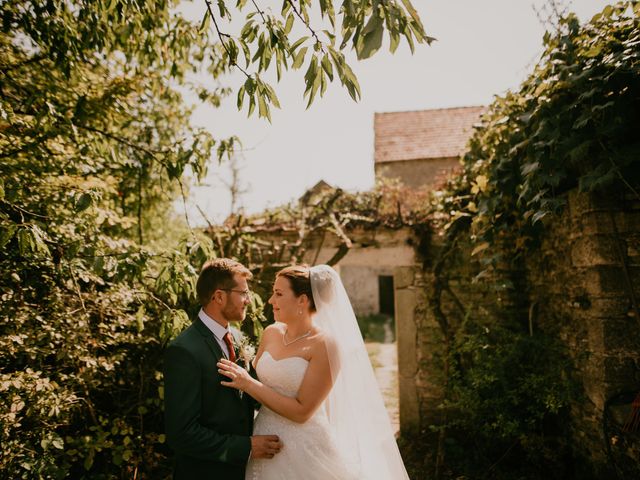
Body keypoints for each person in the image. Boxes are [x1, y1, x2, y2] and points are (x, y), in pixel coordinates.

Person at [217, 264, 410, 480]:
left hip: (304, 447)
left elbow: (302, 412)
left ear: (302, 300)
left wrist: (248, 384)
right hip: (263, 439)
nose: (271, 301)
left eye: (279, 294)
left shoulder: (325, 345)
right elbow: (255, 385)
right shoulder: (271, 333)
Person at [163, 258, 283, 480]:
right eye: (243, 293)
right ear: (218, 296)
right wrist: (245, 448)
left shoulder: (236, 337)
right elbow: (181, 434)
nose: (248, 300)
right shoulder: (184, 351)